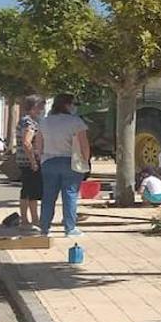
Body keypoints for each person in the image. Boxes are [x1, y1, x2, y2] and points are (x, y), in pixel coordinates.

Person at [35, 93, 90, 238]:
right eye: (73, 104)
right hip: (70, 161)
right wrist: (86, 160)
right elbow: (84, 144)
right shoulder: (75, 122)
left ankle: (44, 228)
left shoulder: (44, 122)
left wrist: (40, 159)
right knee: (70, 195)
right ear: (67, 105)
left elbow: (38, 144)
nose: (74, 107)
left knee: (48, 196)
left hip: (49, 161)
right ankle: (70, 228)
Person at [16, 95, 45, 230]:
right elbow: (27, 143)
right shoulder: (29, 123)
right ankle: (28, 220)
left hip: (24, 160)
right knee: (30, 191)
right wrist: (33, 161)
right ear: (33, 107)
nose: (41, 110)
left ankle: (32, 219)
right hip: (29, 162)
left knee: (29, 191)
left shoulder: (25, 121)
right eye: (40, 107)